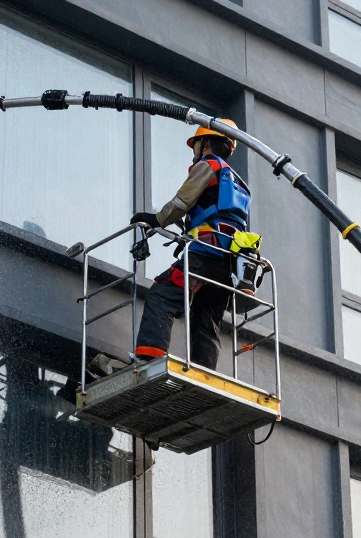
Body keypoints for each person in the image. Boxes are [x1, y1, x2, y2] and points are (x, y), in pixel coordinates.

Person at [97, 119, 252, 373]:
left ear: (206, 144)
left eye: (197, 146)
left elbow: (182, 202)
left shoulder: (208, 165)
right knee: (206, 318)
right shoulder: (239, 184)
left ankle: (149, 359)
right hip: (228, 265)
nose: (195, 153)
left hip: (203, 256)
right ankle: (206, 374)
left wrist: (155, 220)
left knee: (162, 293)